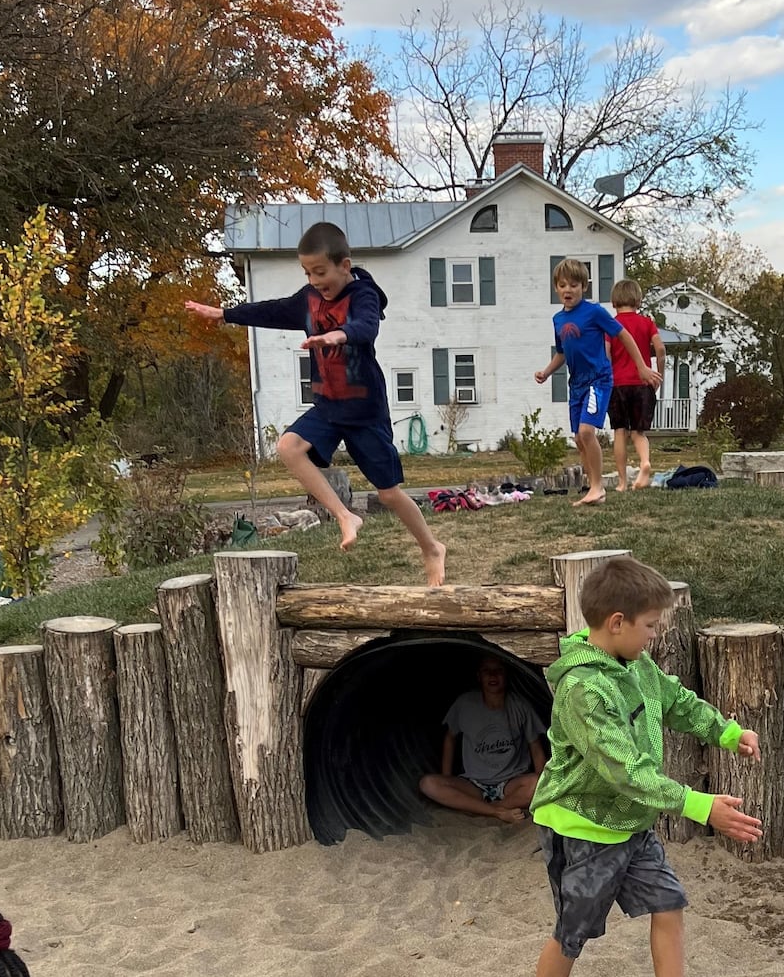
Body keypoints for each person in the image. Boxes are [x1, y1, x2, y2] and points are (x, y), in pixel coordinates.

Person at [520, 556, 763, 977]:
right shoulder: (583, 690)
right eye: (650, 626)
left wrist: (726, 731)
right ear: (616, 623)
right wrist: (699, 806)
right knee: (574, 929)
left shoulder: (636, 665)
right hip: (583, 827)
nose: (655, 635)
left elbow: (673, 700)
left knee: (668, 903)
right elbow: (623, 771)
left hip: (631, 825)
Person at [185, 221, 446, 586]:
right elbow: (272, 310)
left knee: (388, 492)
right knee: (289, 447)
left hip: (364, 409)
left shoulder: (362, 295)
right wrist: (225, 314)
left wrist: (336, 335)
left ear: (344, 265)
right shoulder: (308, 299)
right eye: (307, 273)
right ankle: (344, 515)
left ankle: (432, 548)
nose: (314, 280)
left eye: (320, 272)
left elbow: (366, 326)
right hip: (327, 406)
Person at [535, 260, 658, 507]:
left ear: (584, 287)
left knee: (586, 432)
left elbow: (624, 335)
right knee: (579, 439)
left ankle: (598, 487)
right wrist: (547, 372)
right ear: (556, 289)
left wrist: (642, 367)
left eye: (574, 285)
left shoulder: (595, 313)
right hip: (577, 384)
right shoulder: (558, 319)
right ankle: (594, 488)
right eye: (562, 285)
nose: (568, 290)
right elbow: (562, 352)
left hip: (599, 380)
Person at [419, 654, 549, 825]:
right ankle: (497, 811)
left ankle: (485, 809)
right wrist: (447, 778)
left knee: (540, 782)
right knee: (427, 784)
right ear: (479, 677)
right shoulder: (465, 704)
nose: (493, 676)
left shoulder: (520, 705)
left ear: (506, 675)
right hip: (474, 784)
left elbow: (535, 747)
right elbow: (450, 738)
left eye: (498, 671)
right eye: (487, 671)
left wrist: (543, 786)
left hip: (511, 784)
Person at [606, 277, 667, 491]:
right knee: (639, 432)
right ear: (638, 301)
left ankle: (622, 482)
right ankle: (645, 462)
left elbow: (606, 354)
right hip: (643, 382)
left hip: (617, 384)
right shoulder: (647, 323)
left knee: (620, 431)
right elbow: (660, 349)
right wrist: (658, 373)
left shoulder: (610, 325)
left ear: (614, 302)